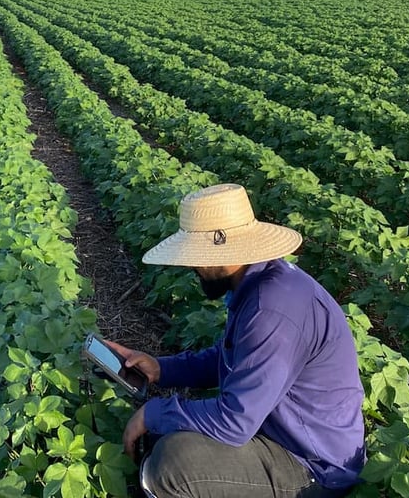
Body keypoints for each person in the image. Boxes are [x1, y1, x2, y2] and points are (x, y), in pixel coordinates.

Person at [107, 183, 366, 498]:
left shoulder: (271, 309)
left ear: (221, 253)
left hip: (313, 467)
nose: (192, 266)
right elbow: (231, 357)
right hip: (282, 436)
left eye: (196, 256)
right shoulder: (261, 283)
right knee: (167, 440)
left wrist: (154, 412)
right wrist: (161, 369)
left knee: (171, 466)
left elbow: (235, 422)